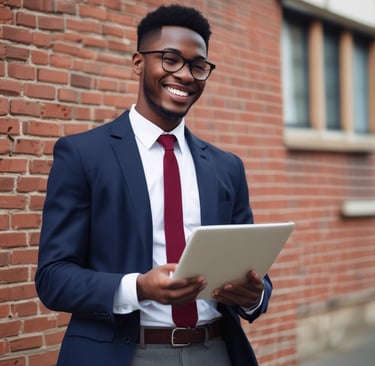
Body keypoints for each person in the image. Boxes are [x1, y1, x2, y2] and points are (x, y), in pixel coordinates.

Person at [35, 4, 272, 366]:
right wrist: (138, 288)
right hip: (126, 354)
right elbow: (53, 278)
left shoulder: (227, 168)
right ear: (138, 63)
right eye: (171, 59)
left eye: (198, 66)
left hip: (216, 351)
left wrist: (253, 294)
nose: (187, 75)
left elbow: (252, 271)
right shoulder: (83, 155)